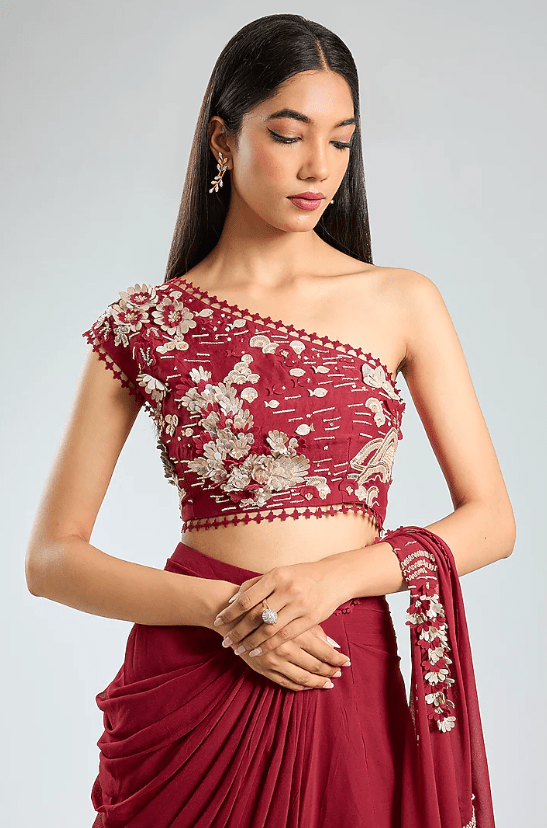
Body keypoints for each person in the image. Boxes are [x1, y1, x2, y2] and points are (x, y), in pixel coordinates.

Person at [25, 13, 515, 828]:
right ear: (223, 139)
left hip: (334, 658)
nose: (318, 166)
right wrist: (228, 614)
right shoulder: (148, 322)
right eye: (288, 135)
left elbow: (491, 522)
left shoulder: (400, 301)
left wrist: (334, 579)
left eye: (341, 141)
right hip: (191, 674)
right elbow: (51, 560)